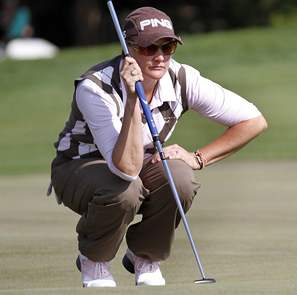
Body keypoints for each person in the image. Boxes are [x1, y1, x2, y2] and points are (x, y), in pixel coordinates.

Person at [49, 6, 267, 288]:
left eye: (168, 46)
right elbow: (125, 170)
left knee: (180, 178)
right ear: (129, 49)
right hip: (78, 168)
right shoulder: (95, 87)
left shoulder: (182, 78)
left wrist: (198, 158)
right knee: (125, 189)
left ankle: (145, 256)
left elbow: (253, 120)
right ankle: (94, 259)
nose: (160, 56)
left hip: (136, 163)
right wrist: (132, 100)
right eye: (149, 47)